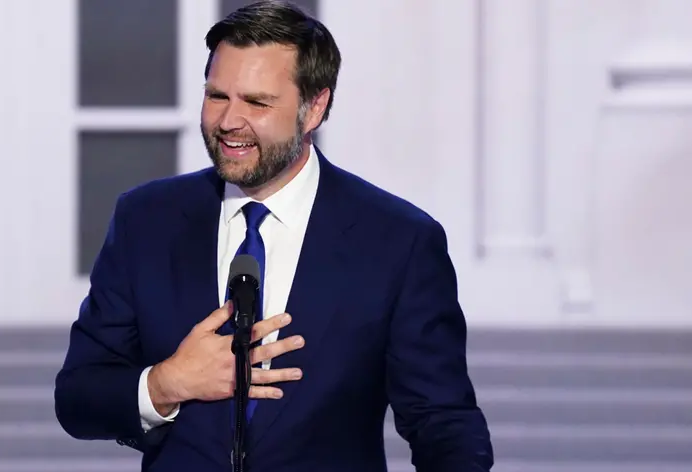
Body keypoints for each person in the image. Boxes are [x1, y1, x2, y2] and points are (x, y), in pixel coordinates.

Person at [54, 1, 493, 470]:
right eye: (217, 96)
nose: (227, 121)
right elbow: (79, 397)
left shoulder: (398, 242)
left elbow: (443, 424)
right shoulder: (146, 221)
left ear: (314, 108)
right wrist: (165, 384)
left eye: (257, 102)